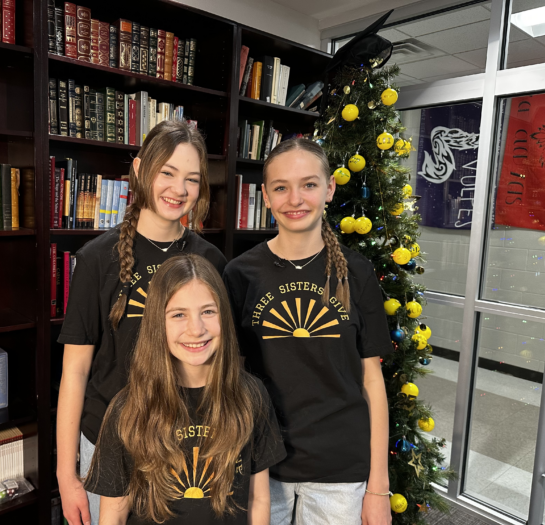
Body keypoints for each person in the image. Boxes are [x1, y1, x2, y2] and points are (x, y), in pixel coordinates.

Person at [57, 120, 228, 525]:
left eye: (191, 178)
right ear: (139, 170)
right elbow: (76, 371)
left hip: (186, 447)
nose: (178, 189)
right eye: (166, 173)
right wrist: (67, 475)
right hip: (105, 443)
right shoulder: (98, 259)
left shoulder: (212, 263)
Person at [223, 138, 393, 525]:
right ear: (265, 196)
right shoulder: (239, 274)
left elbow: (372, 380)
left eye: (309, 184)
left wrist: (378, 487)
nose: (295, 199)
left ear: (330, 188)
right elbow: (227, 377)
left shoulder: (358, 272)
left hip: (341, 469)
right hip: (263, 465)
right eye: (281, 187)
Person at [83, 254, 286, 525]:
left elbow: (257, 499)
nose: (196, 329)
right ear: (158, 323)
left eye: (208, 311)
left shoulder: (251, 395)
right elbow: (114, 515)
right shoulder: (128, 408)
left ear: (223, 316)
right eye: (179, 314)